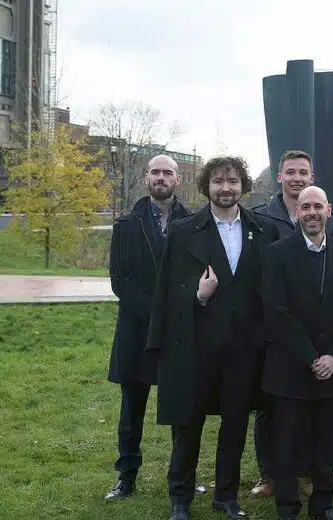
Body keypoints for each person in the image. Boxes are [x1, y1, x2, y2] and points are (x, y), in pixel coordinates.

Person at [146, 156, 280, 520]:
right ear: (206, 186)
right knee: (187, 427)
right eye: (219, 181)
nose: (226, 188)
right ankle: (180, 500)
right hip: (195, 346)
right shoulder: (184, 231)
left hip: (244, 350)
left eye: (233, 181)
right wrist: (199, 294)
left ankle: (226, 496)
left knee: (235, 425)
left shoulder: (264, 230)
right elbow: (167, 291)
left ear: (243, 187)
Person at [262, 186, 333, 520]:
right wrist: (310, 357)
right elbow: (277, 312)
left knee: (326, 446)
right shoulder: (277, 253)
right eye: (305, 207)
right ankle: (288, 508)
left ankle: (323, 505)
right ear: (297, 213)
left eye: (318, 206)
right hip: (290, 367)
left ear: (328, 210)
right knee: (287, 445)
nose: (312, 212)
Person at [250, 149, 333, 498]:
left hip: (314, 331)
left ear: (312, 177)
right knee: (268, 405)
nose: (297, 177)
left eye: (304, 171)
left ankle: (303, 472)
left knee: (307, 404)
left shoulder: (328, 220)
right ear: (279, 176)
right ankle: (269, 474)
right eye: (291, 172)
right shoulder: (260, 218)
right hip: (270, 326)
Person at [104, 155, 191, 501]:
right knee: (131, 410)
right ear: (146, 178)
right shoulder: (126, 225)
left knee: (182, 409)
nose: (161, 177)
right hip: (136, 331)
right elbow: (119, 281)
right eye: (155, 172)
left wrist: (175, 314)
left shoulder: (195, 223)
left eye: (167, 172)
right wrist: (156, 313)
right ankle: (126, 477)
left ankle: (183, 477)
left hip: (180, 332)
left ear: (178, 179)